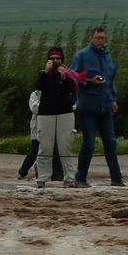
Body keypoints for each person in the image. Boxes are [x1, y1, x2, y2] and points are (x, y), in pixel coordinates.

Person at [70, 26, 124, 188]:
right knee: (89, 143)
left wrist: (113, 98)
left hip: (105, 104)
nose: (100, 40)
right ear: (91, 38)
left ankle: (117, 178)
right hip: (88, 105)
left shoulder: (108, 57)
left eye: (103, 37)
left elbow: (111, 79)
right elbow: (72, 78)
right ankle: (80, 178)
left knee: (110, 142)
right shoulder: (82, 56)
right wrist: (89, 82)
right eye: (98, 37)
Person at [33, 47, 78, 188]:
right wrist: (46, 72)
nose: (55, 62)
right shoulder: (43, 74)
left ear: (62, 60)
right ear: (48, 61)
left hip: (65, 113)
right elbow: (37, 87)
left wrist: (64, 77)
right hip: (46, 113)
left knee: (66, 146)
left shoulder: (68, 74)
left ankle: (70, 177)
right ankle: (42, 177)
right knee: (45, 147)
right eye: (52, 59)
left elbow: (73, 89)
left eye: (58, 59)